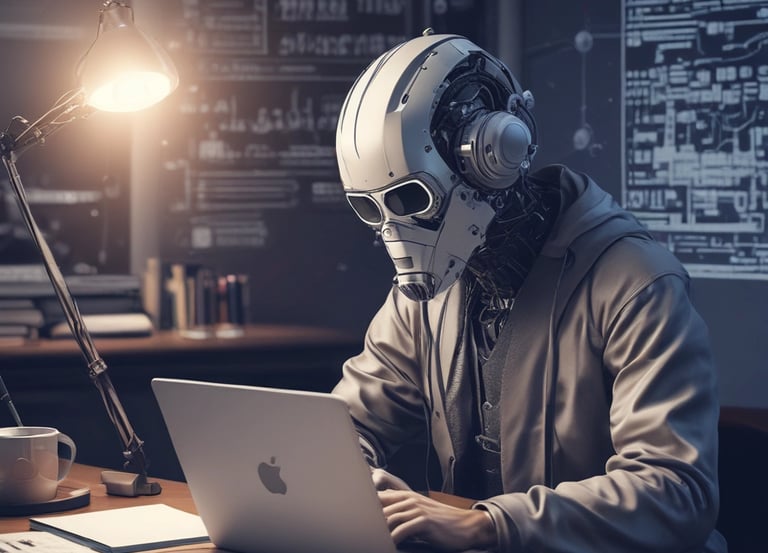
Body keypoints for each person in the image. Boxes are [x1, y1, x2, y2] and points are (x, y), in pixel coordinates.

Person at [332, 30, 727, 552]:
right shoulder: (427, 291)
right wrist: (348, 475)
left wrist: (489, 524)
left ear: (494, 153)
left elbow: (677, 491)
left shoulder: (637, 283)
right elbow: (348, 423)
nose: (396, 233)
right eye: (374, 209)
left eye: (413, 199)